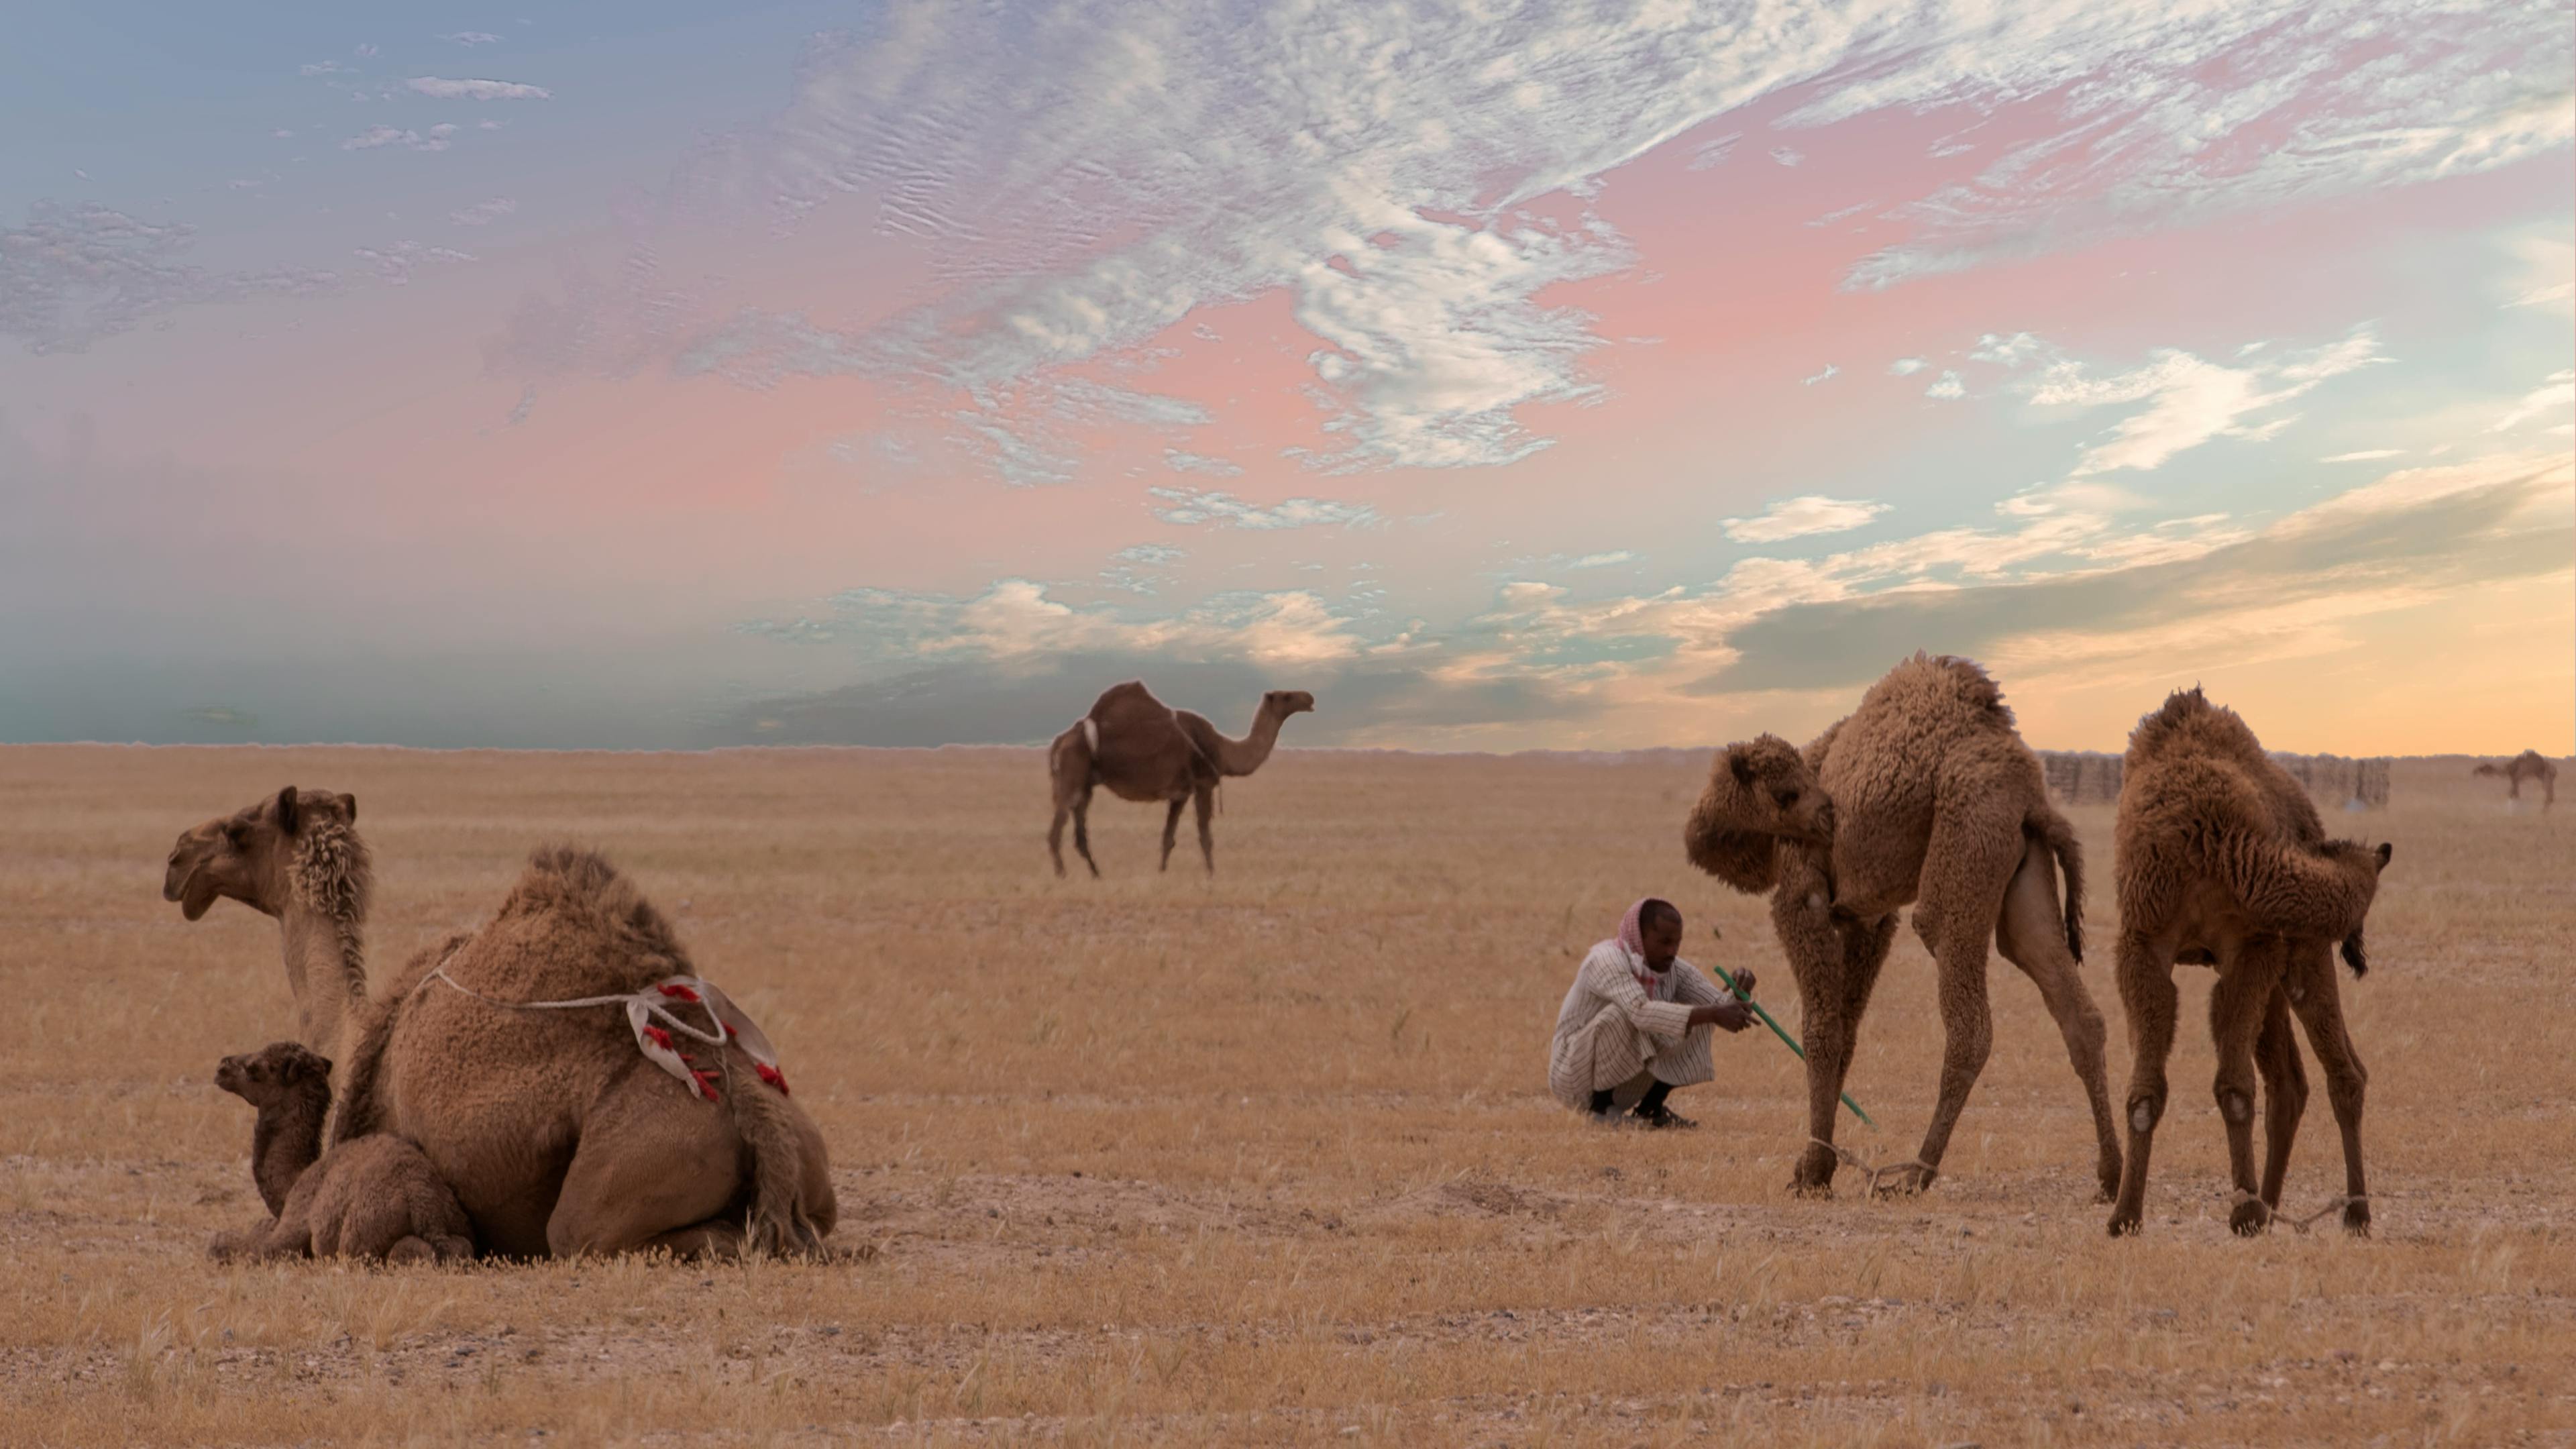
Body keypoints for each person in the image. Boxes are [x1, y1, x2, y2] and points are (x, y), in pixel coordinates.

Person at [1549, 897, 1756, 1129]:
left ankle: (1650, 1109)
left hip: (1622, 1082)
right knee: (1627, 1013)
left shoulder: (1673, 968)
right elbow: (1639, 1011)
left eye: (1677, 943)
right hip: (1574, 1075)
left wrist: (1739, 993)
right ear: (1640, 937)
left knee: (1697, 1018)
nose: (1672, 951)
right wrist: (1715, 1012)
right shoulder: (1605, 961)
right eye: (1664, 942)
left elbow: (1717, 1004)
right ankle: (1601, 1108)